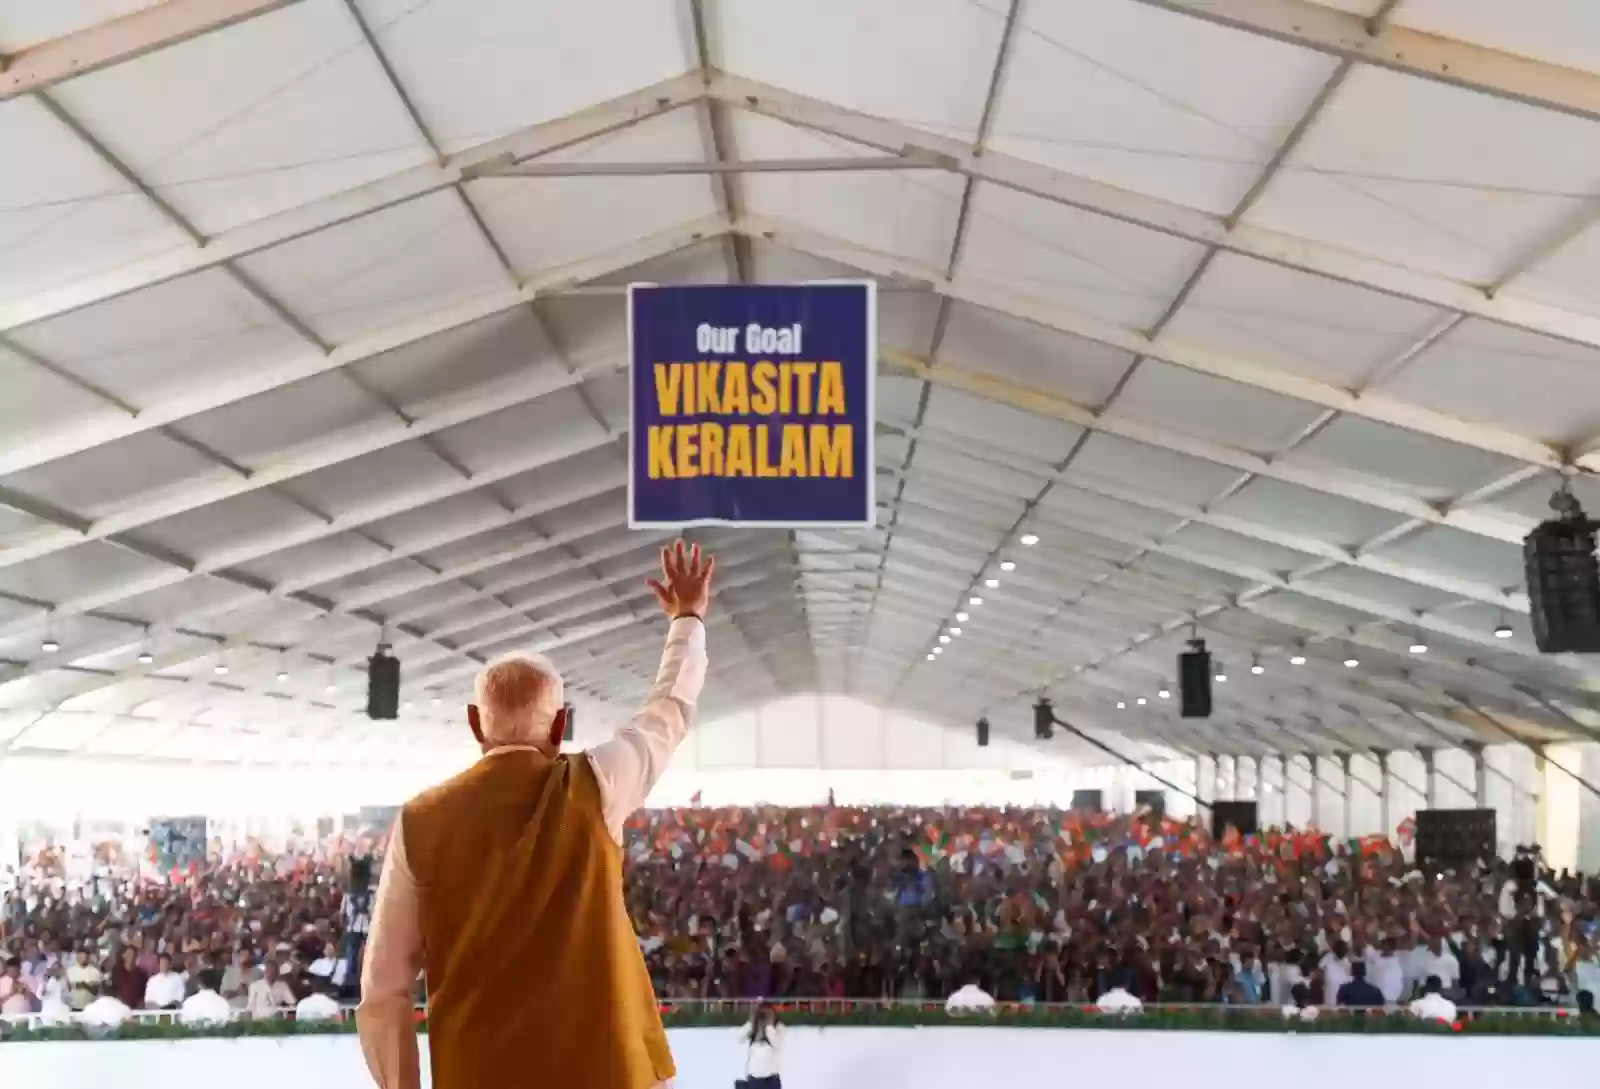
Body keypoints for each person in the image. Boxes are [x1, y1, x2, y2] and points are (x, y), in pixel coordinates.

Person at [357, 541, 714, 1089]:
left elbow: (383, 990)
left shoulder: (419, 820)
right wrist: (687, 620)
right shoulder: (598, 783)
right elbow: (668, 711)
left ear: (474, 723)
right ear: (560, 725)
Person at [739, 1002, 784, 1088]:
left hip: (771, 1078)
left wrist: (769, 1024)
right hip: (754, 1077)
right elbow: (739, 1038)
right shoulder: (753, 1027)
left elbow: (776, 1043)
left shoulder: (778, 1027)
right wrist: (751, 1021)